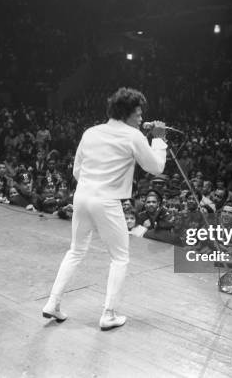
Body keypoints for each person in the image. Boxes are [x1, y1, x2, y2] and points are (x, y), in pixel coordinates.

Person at [43, 87, 167, 331]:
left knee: (76, 251)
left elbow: (77, 170)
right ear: (127, 113)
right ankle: (109, 314)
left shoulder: (91, 132)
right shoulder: (134, 137)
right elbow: (156, 168)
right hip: (107, 200)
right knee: (120, 257)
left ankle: (52, 303)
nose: (141, 118)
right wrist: (160, 138)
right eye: (139, 113)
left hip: (82, 196)